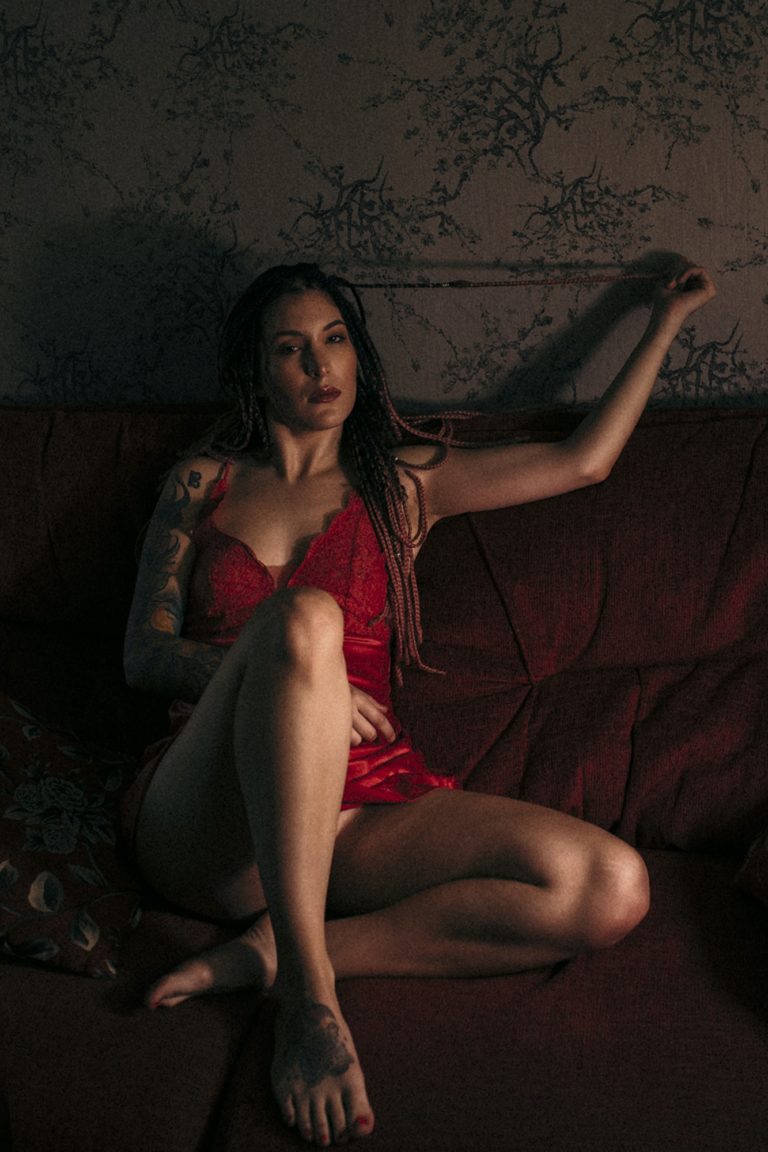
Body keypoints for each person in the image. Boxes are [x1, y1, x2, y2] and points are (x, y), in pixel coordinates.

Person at [122, 260, 716, 1148]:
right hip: (206, 819)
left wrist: (665, 321)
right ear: (255, 372)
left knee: (610, 884)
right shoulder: (201, 483)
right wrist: (287, 671)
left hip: (355, 815)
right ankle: (311, 1007)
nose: (320, 365)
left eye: (335, 340)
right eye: (290, 349)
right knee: (305, 619)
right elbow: (143, 655)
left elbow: (583, 462)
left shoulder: (400, 483)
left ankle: (280, 950)